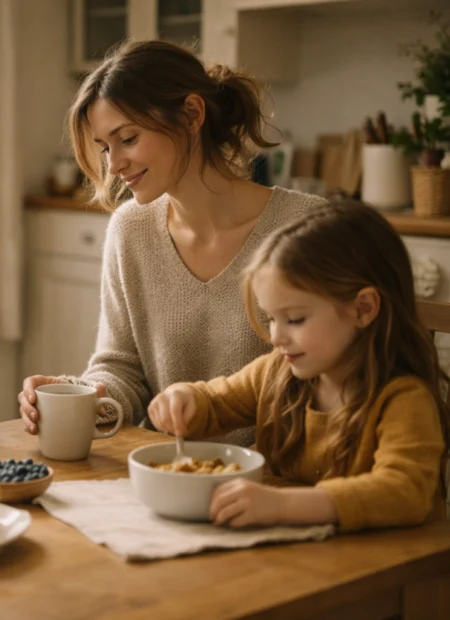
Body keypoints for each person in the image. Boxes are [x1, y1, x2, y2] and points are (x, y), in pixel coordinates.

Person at [18, 40, 326, 445]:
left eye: (127, 138)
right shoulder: (131, 229)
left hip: (280, 483)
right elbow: (121, 367)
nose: (114, 164)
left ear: (192, 115)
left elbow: (339, 385)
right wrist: (87, 396)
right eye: (105, 147)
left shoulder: (306, 227)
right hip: (166, 471)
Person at [148, 202, 449, 531]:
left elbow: (404, 491)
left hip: (390, 576)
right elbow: (217, 401)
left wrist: (283, 505)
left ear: (363, 309)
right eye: (271, 318)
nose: (276, 337)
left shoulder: (404, 401)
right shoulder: (277, 373)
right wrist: (183, 399)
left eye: (294, 319)